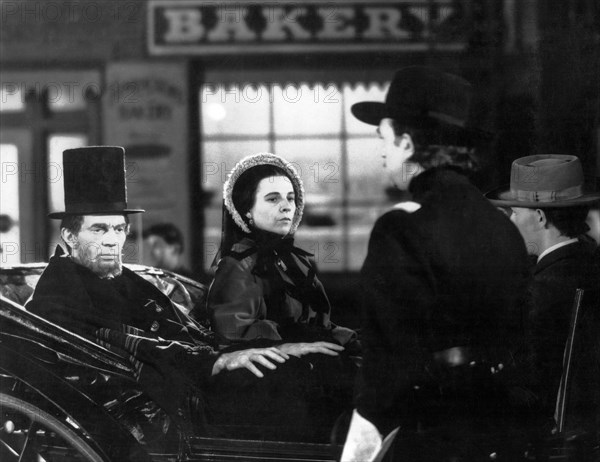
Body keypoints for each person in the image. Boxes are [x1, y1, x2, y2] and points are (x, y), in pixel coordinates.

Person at [25, 146, 305, 438]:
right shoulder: (59, 292)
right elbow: (118, 343)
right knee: (294, 392)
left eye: (119, 229)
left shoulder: (126, 278)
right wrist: (215, 360)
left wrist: (267, 347)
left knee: (305, 368)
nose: (112, 241)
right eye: (98, 230)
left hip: (192, 373)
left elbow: (190, 330)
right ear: (69, 236)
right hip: (165, 401)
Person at [341, 66, 533, 461]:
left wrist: (357, 454)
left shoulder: (402, 226)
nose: (380, 152)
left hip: (427, 437)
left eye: (385, 139)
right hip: (501, 432)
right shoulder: (503, 226)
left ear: (408, 144)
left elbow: (386, 368)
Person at [207, 153, 359, 435]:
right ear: (247, 210)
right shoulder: (237, 266)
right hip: (263, 382)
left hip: (300, 365)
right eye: (273, 199)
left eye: (290, 198)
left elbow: (317, 325)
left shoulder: (296, 262)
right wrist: (291, 345)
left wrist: (348, 341)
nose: (286, 207)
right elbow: (232, 340)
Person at [486, 154, 600, 426]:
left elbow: (532, 386)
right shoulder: (591, 264)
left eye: (514, 212)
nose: (511, 222)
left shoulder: (541, 289)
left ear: (539, 217)